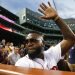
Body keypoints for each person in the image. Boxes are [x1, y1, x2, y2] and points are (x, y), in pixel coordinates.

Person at [15, 2, 75, 70]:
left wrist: (56, 18)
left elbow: (71, 39)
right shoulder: (22, 63)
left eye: (33, 40)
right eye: (26, 42)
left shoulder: (51, 54)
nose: (29, 44)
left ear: (43, 43)